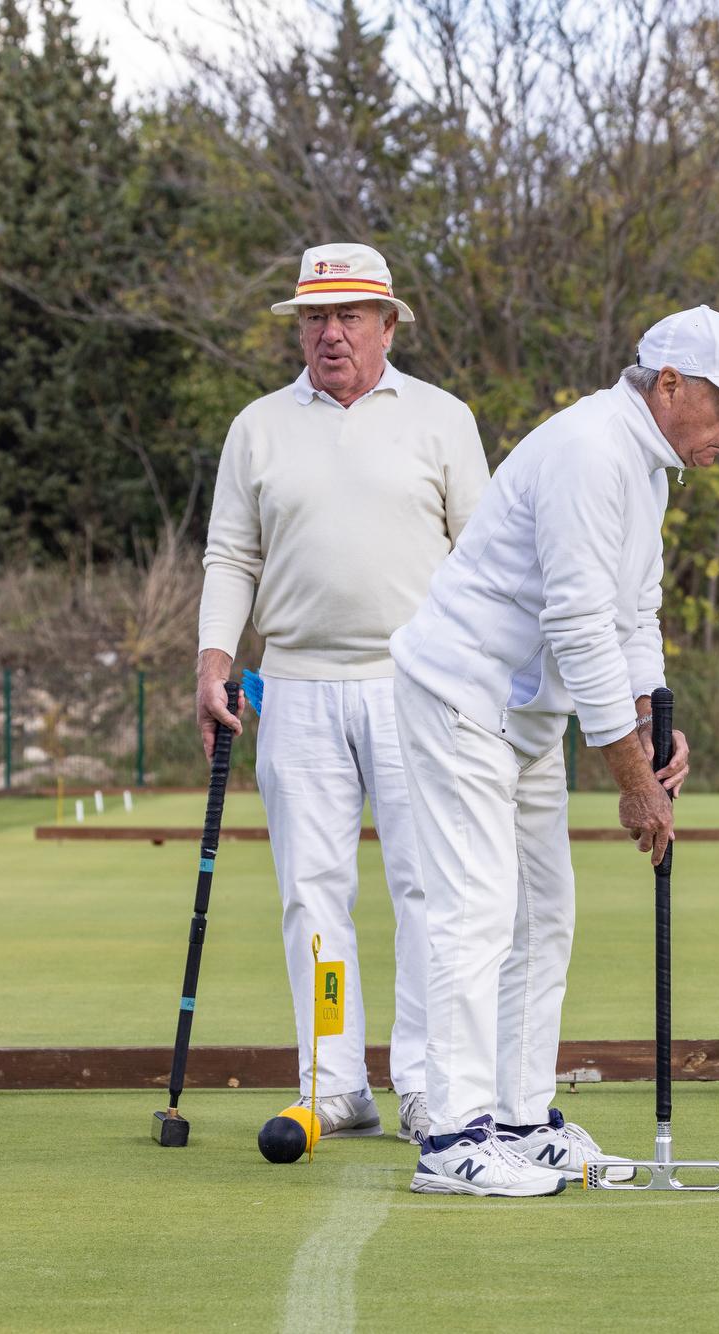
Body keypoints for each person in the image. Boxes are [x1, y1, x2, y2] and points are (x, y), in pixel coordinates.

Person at [390, 304, 719, 1197]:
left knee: (543, 916)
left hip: (522, 717)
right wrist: (634, 782)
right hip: (461, 696)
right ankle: (453, 1138)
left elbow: (631, 611)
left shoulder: (647, 467)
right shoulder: (590, 452)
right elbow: (574, 624)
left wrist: (648, 720)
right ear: (672, 386)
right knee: (476, 911)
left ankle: (522, 1118)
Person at [197, 242, 489, 1144]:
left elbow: (482, 560)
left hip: (418, 687)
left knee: (426, 888)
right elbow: (232, 556)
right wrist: (214, 661)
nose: (330, 333)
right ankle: (332, 1079)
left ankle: (427, 1083)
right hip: (293, 686)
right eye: (315, 317)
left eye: (350, 315)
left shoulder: (443, 420)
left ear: (389, 324)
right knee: (313, 891)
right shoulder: (258, 427)